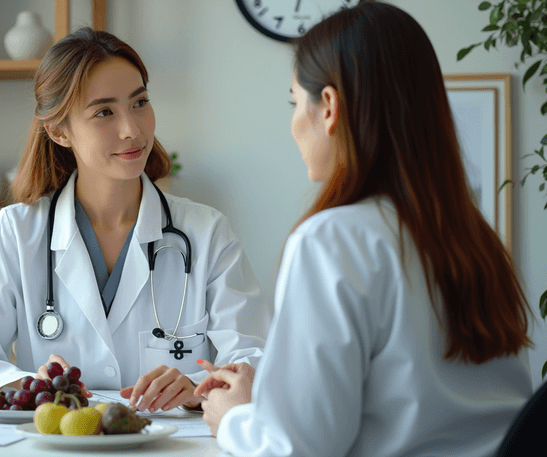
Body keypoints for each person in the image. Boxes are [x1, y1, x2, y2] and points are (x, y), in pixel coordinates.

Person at [194, 2, 533, 455]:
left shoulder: (334, 240)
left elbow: (299, 449)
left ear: (329, 106)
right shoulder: (475, 238)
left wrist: (232, 418)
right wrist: (277, 396)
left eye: (296, 102)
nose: (294, 122)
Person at [0, 27, 270, 413]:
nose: (132, 129)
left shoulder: (206, 233)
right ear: (58, 131)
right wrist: (28, 385)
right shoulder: (17, 232)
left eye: (140, 102)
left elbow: (258, 358)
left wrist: (196, 386)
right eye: (104, 112)